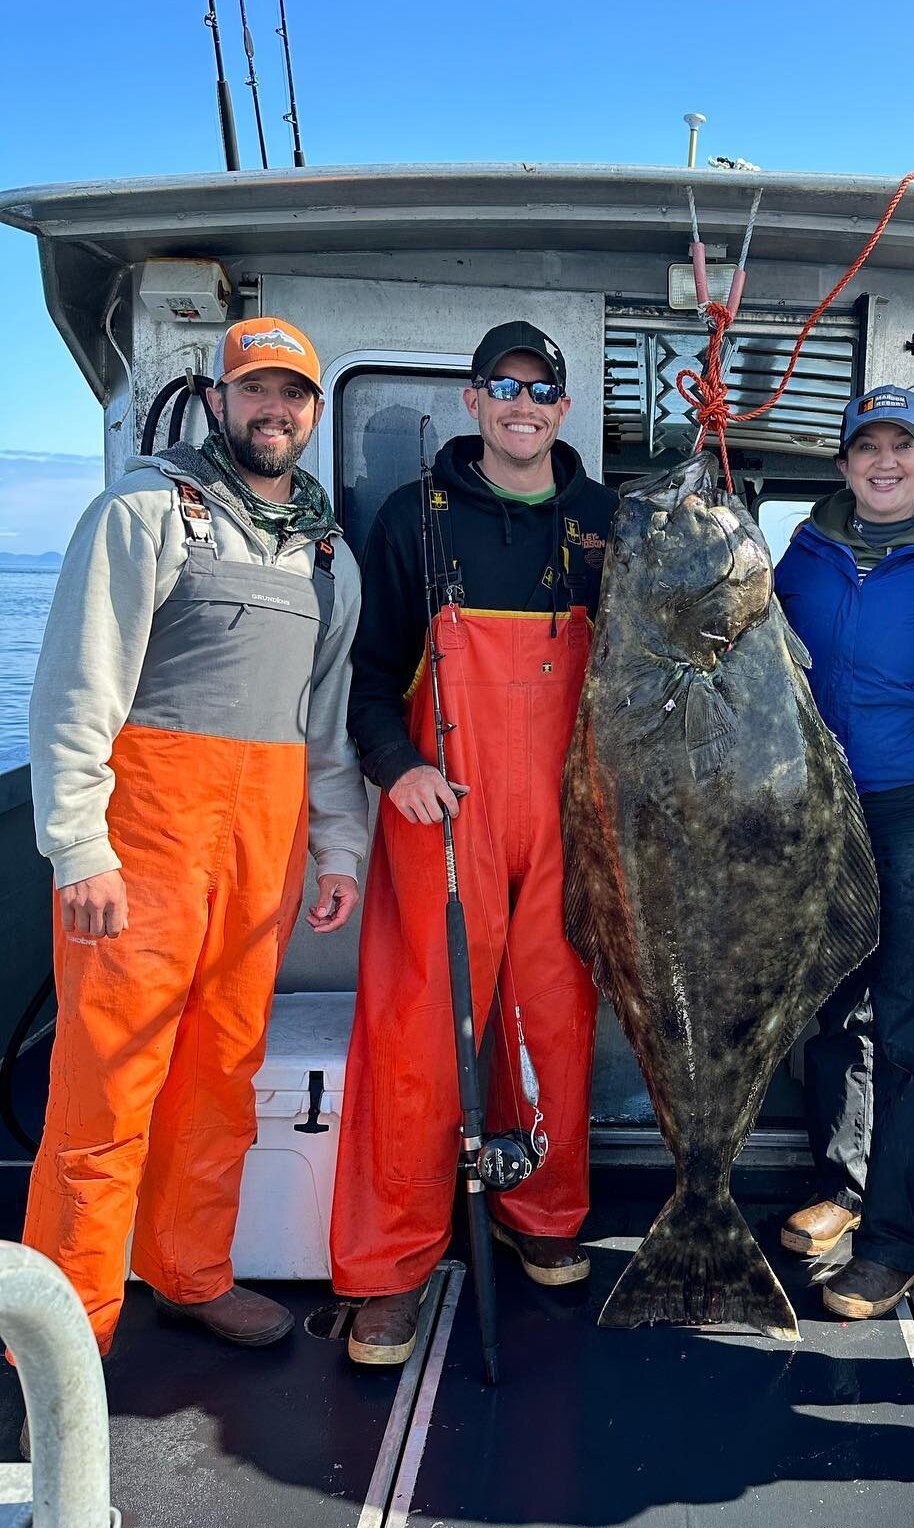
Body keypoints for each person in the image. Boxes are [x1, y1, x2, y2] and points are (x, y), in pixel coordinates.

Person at [24, 316, 367, 1355]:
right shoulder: (143, 510)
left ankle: (191, 1270)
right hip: (140, 859)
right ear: (219, 400)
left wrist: (339, 848)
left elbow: (330, 725)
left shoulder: (328, 556)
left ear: (314, 411)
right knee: (104, 1093)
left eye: (293, 393)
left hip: (259, 862)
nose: (274, 409)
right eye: (254, 389)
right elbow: (76, 688)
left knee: (221, 1076)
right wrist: (78, 844)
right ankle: (58, 1339)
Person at [334, 320, 617, 1365]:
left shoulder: (605, 519)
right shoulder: (415, 515)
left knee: (554, 1019)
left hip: (573, 815)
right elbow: (366, 673)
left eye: (541, 389)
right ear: (473, 400)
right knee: (419, 1035)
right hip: (442, 807)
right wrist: (393, 766)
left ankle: (539, 1213)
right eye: (504, 385)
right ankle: (391, 1268)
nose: (522, 403)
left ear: (563, 407)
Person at [773, 385, 914, 1319]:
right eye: (869, 448)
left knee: (909, 1026)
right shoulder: (798, 559)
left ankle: (898, 1241)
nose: (885, 463)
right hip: (815, 808)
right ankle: (844, 1187)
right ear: (844, 464)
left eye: (904, 447)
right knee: (828, 1006)